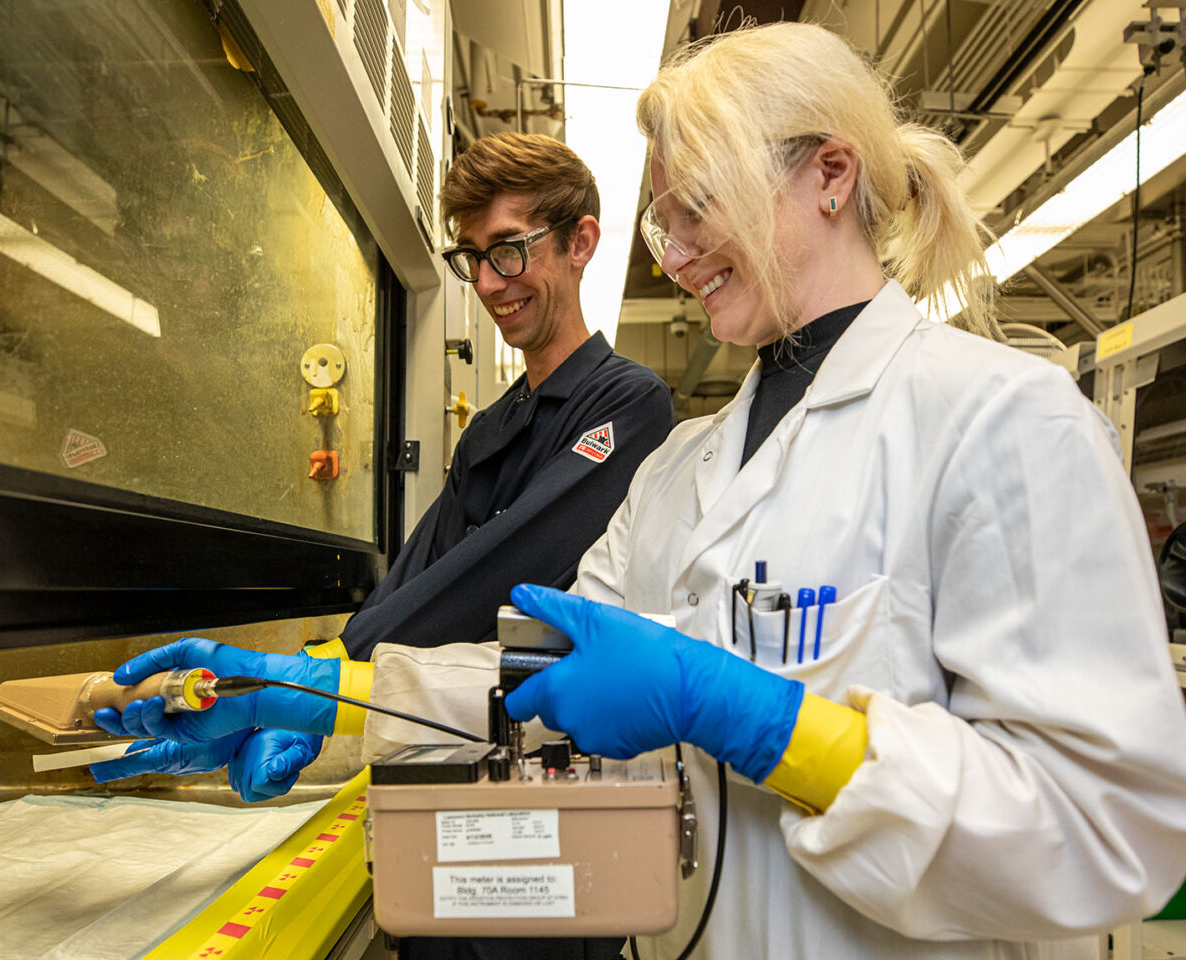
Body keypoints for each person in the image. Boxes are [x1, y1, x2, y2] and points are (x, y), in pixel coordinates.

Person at [94, 23, 1186, 958]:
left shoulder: (1006, 423)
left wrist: (763, 725)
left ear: (831, 176)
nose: (676, 254)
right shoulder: (683, 468)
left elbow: (1113, 827)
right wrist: (327, 695)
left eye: (699, 207)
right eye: (666, 223)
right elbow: (536, 664)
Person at [93, 132, 674, 960]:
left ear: (580, 243)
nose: (487, 284)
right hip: (434, 786)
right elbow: (421, 574)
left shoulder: (631, 406)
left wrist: (313, 685)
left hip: (548, 811)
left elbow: (506, 573)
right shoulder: (493, 430)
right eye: (471, 257)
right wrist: (323, 667)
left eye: (508, 252)